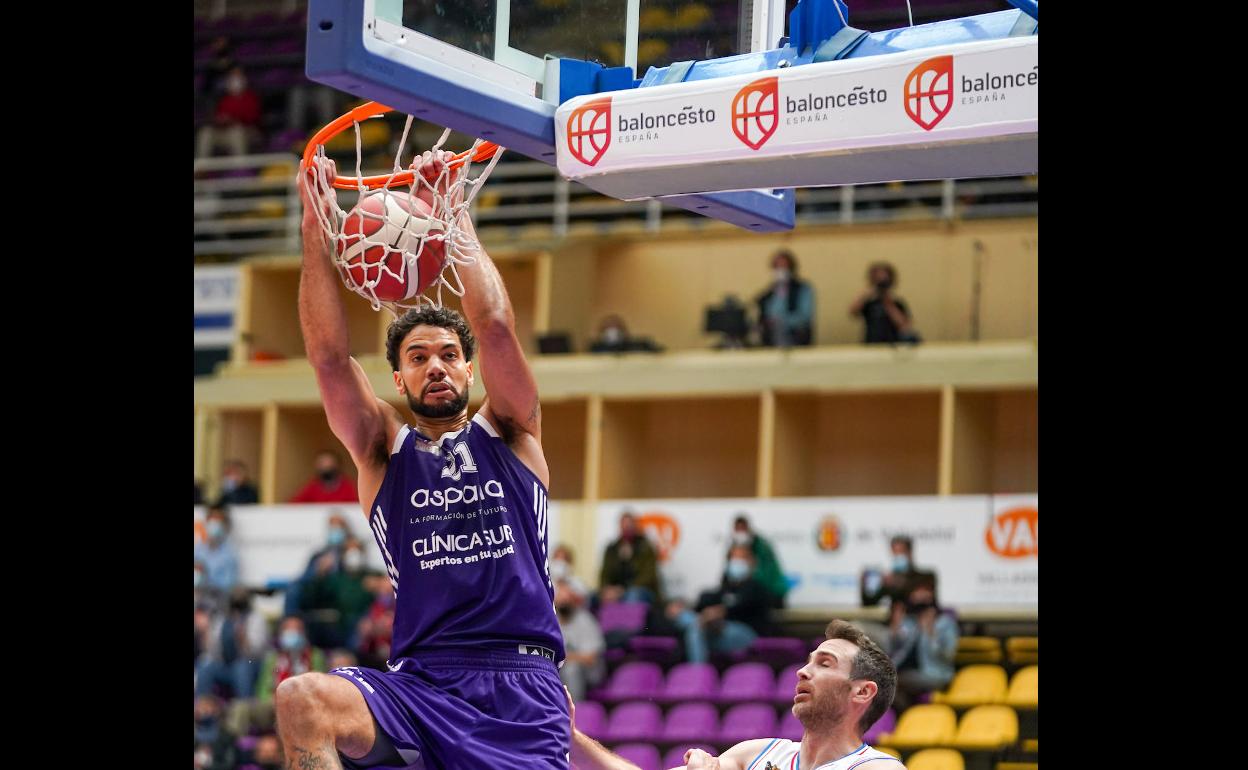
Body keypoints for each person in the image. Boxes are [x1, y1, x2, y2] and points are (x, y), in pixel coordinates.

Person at [274, 151, 569, 769]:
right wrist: (314, 229)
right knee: (303, 698)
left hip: (520, 686)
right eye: (416, 357)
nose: (434, 365)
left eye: (445, 354)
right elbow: (329, 359)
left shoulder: (512, 431)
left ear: (467, 368)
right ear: (399, 380)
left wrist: (451, 211)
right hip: (421, 684)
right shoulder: (382, 447)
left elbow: (492, 324)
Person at [568, 619, 904, 770]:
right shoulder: (757, 753)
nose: (803, 672)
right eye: (807, 662)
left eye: (825, 664)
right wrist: (569, 737)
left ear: (862, 692)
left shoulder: (877, 768)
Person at [672, 544, 772, 663]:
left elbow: (738, 606)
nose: (737, 562)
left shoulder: (756, 588)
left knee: (696, 627)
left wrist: (715, 615)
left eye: (742, 558)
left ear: (752, 562)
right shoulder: (726, 587)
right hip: (717, 630)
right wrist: (684, 608)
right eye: (734, 558)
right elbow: (706, 605)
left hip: (747, 633)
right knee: (689, 620)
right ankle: (698, 673)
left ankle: (697, 674)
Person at [887, 584, 958, 712]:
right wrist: (895, 627)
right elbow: (895, 647)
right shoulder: (911, 622)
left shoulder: (946, 623)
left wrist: (930, 633)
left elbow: (949, 655)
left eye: (925, 602)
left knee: (894, 681)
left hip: (936, 674)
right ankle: (908, 716)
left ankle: (906, 713)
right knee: (885, 681)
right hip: (910, 671)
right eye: (916, 602)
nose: (921, 607)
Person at [195, 586, 271, 699]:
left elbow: (257, 651)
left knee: (241, 668)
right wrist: (207, 637)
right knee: (204, 666)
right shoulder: (222, 619)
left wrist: (244, 640)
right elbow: (213, 649)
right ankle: (201, 707)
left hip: (250, 662)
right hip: (225, 663)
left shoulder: (255, 618)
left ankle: (245, 707)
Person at [195, 65, 262, 158]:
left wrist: (233, 119)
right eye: (232, 77)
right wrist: (220, 121)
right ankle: (202, 168)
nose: (235, 80)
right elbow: (219, 117)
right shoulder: (224, 100)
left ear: (244, 79)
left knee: (237, 132)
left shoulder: (252, 98)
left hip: (247, 131)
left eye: (238, 76)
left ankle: (241, 169)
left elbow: (254, 118)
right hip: (226, 132)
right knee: (205, 133)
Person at [556, 580, 606, 701]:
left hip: (590, 671)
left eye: (567, 598)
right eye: (561, 598)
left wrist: (563, 658)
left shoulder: (585, 620)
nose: (564, 601)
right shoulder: (552, 620)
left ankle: (575, 711)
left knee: (571, 669)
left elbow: (590, 658)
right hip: (561, 668)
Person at [599, 511, 663, 606]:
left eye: (629, 525)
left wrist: (624, 589)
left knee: (632, 595)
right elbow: (605, 573)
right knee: (594, 598)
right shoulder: (612, 548)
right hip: (616, 589)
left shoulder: (645, 547)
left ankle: (626, 621)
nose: (627, 529)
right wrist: (607, 589)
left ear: (635, 526)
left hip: (641, 590)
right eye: (624, 525)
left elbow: (648, 576)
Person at [756, 249, 815, 347]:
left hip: (796, 336)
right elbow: (765, 314)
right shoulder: (769, 292)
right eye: (777, 267)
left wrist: (782, 321)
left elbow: (805, 317)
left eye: (784, 267)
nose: (780, 270)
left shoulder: (802, 289)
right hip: (771, 337)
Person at [849, 262, 920, 344]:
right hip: (871, 345)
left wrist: (887, 302)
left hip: (893, 346)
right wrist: (866, 294)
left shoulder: (897, 303)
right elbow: (853, 312)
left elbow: (904, 326)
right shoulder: (869, 303)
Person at [728, 514, 789, 608]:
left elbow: (767, 575)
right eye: (737, 529)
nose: (740, 532)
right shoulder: (734, 545)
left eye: (742, 528)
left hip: (770, 594)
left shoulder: (762, 546)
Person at [194, 506, 240, 595]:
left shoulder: (229, 555)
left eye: (218, 521)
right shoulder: (198, 549)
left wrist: (205, 581)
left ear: (225, 526)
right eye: (212, 520)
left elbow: (228, 586)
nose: (214, 524)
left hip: (216, 599)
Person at [290, 449, 360, 503]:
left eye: (330, 465)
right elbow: (294, 505)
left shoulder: (349, 486)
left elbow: (356, 507)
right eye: (322, 465)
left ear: (337, 466)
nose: (326, 468)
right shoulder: (312, 486)